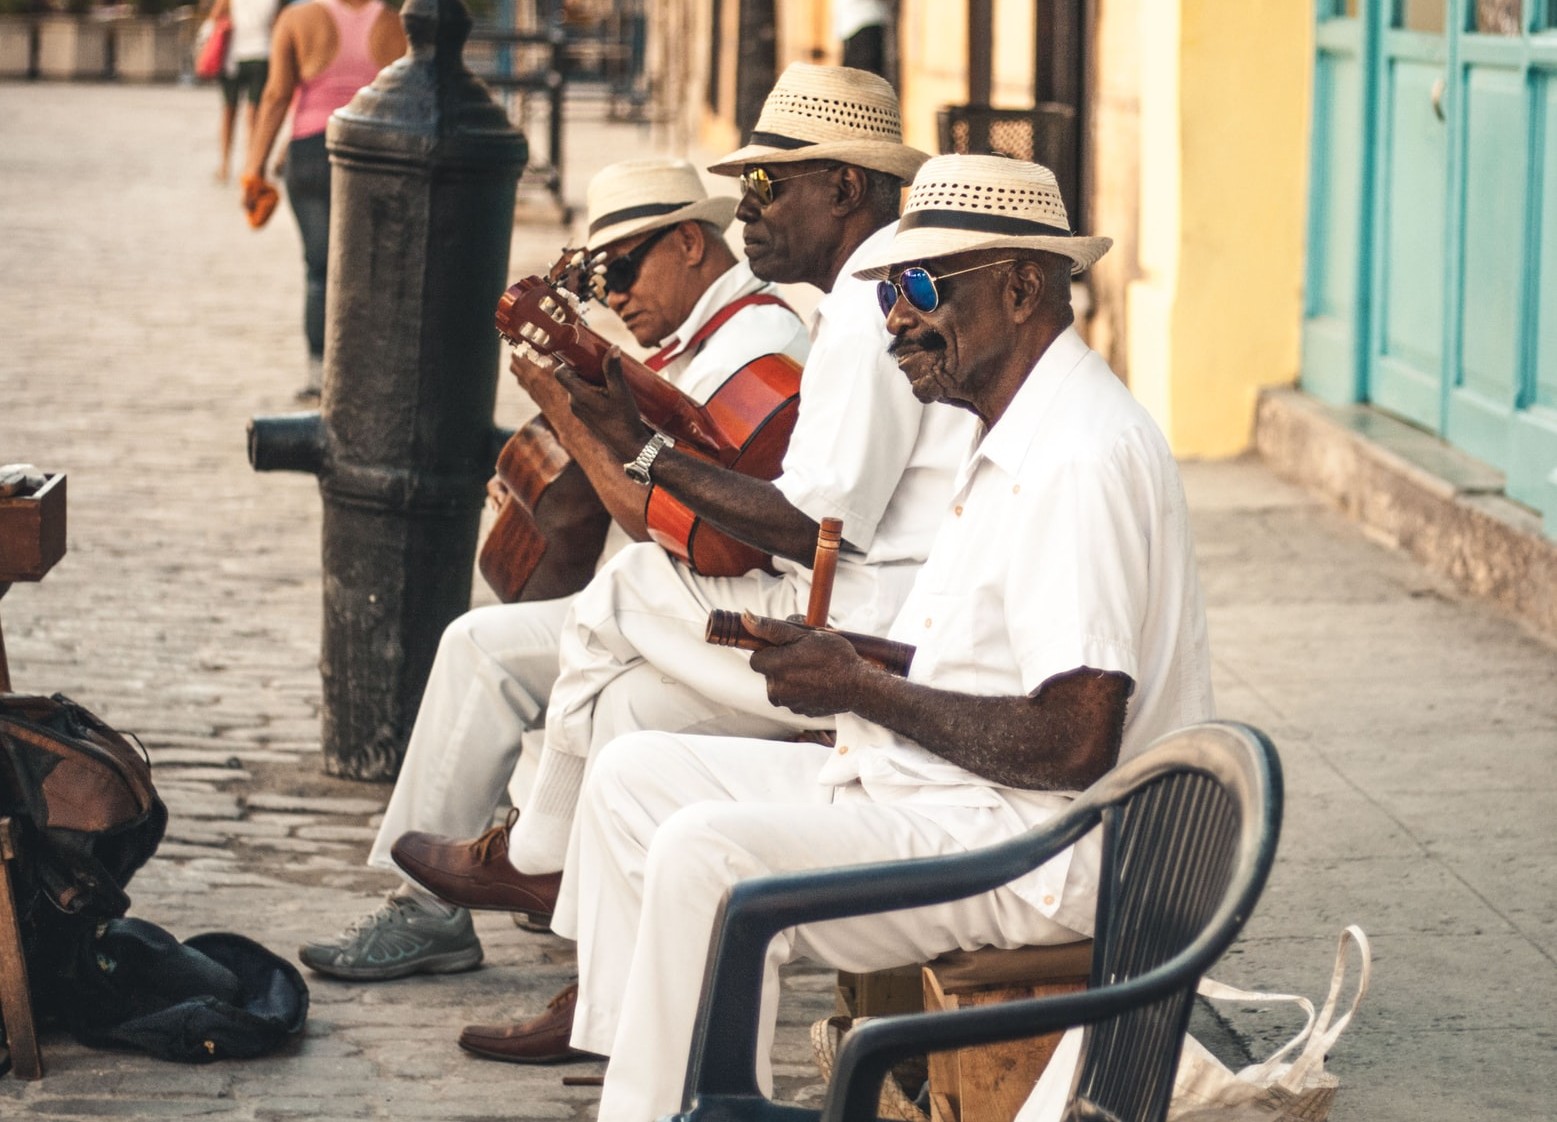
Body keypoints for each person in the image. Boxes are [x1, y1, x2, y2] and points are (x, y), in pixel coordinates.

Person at [527, 154, 1214, 1122]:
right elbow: (998, 661)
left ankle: (674, 1105)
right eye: (892, 289)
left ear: (1022, 289)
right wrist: (854, 667)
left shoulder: (1078, 460)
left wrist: (863, 689)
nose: (896, 317)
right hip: (969, 795)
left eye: (924, 287)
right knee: (636, 778)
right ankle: (670, 1088)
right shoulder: (1015, 422)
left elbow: (1075, 740)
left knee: (704, 853)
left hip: (1039, 845)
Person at [389, 63, 976, 1064]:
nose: (752, 208)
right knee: (627, 720)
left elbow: (806, 528)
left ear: (843, 188)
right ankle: (607, 1014)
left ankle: (536, 853)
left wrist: (643, 450)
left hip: (864, 633)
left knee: (626, 586)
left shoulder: (877, 310)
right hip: (856, 600)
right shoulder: (850, 305)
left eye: (768, 186)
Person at [297, 158, 812, 982]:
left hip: (726, 609)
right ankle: (454, 896)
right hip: (676, 601)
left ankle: (510, 879)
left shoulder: (755, 345)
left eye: (622, 270)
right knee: (482, 643)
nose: (611, 297)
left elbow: (683, 532)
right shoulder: (697, 342)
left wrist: (574, 415)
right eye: (597, 280)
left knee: (510, 654)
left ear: (688, 242)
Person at [240, 0, 406, 402]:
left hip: (313, 151)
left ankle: (318, 377)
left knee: (319, 269)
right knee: (372, 269)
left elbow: (277, 94)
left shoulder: (296, 20)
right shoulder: (394, 25)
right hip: (375, 153)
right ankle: (367, 371)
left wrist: (255, 167)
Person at [208, 0, 281, 183]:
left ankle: (225, 165)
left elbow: (216, 15)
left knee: (229, 112)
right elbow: (276, 23)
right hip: (261, 53)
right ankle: (251, 165)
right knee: (253, 114)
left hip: (234, 55)